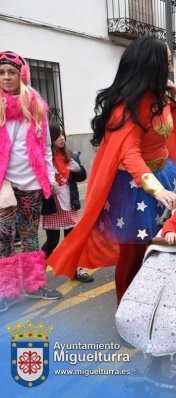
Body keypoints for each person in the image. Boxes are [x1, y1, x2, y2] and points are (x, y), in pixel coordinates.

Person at [47, 36, 176, 304]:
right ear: (152, 65)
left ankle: (152, 300)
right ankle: (127, 306)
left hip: (164, 175)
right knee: (133, 253)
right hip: (136, 187)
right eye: (167, 62)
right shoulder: (127, 105)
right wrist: (156, 190)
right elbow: (130, 153)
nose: (170, 67)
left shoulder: (160, 96)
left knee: (165, 246)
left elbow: (167, 133)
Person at [0, 50, 62, 310]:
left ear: (21, 74)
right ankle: (6, 290)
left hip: (32, 182)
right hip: (3, 185)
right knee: (3, 237)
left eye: (11, 72)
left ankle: (34, 285)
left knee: (30, 236)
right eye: (1, 73)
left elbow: (47, 147)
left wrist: (49, 176)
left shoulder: (35, 105)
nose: (6, 77)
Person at [41, 122, 93, 283]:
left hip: (69, 203)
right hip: (53, 204)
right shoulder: (44, 158)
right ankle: (36, 271)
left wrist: (79, 170)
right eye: (57, 136)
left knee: (73, 240)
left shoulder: (70, 156)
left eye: (63, 134)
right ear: (49, 138)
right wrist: (47, 184)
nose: (62, 138)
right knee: (52, 241)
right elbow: (38, 178)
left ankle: (76, 269)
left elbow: (81, 177)